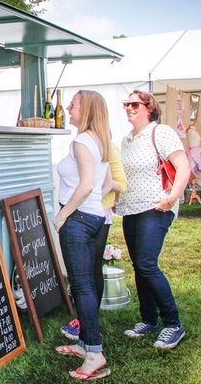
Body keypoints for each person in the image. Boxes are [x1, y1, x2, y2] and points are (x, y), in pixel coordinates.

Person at [115, 90, 189, 350]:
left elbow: (184, 167)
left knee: (147, 264)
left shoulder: (162, 132)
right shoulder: (126, 141)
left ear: (149, 107)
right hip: (130, 208)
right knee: (139, 266)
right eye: (126, 104)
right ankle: (149, 320)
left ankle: (173, 323)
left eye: (134, 104)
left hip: (156, 206)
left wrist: (171, 199)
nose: (129, 108)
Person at [52, 90, 114, 380]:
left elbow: (88, 184)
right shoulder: (99, 139)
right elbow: (108, 181)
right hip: (93, 218)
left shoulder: (81, 141)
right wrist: (91, 210)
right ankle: (84, 344)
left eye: (73, 105)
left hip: (77, 219)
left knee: (82, 287)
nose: (68, 108)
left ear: (86, 109)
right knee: (87, 283)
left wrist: (64, 214)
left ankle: (94, 353)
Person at [60, 139, 126, 343]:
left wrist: (94, 197)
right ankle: (87, 323)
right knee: (87, 272)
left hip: (93, 213)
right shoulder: (88, 143)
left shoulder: (106, 145)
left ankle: (88, 323)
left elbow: (120, 183)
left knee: (92, 269)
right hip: (88, 212)